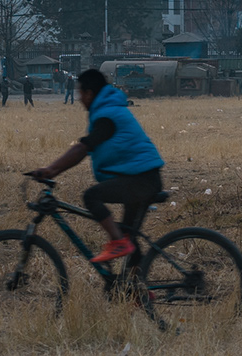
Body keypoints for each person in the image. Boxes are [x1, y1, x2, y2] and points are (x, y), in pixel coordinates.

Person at [23, 68, 166, 265]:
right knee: (129, 237)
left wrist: (51, 170)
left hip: (142, 180)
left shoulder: (108, 115)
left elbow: (83, 148)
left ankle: (118, 243)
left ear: (90, 93)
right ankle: (137, 290)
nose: (79, 99)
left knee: (91, 196)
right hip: (142, 177)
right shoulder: (108, 110)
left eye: (80, 93)